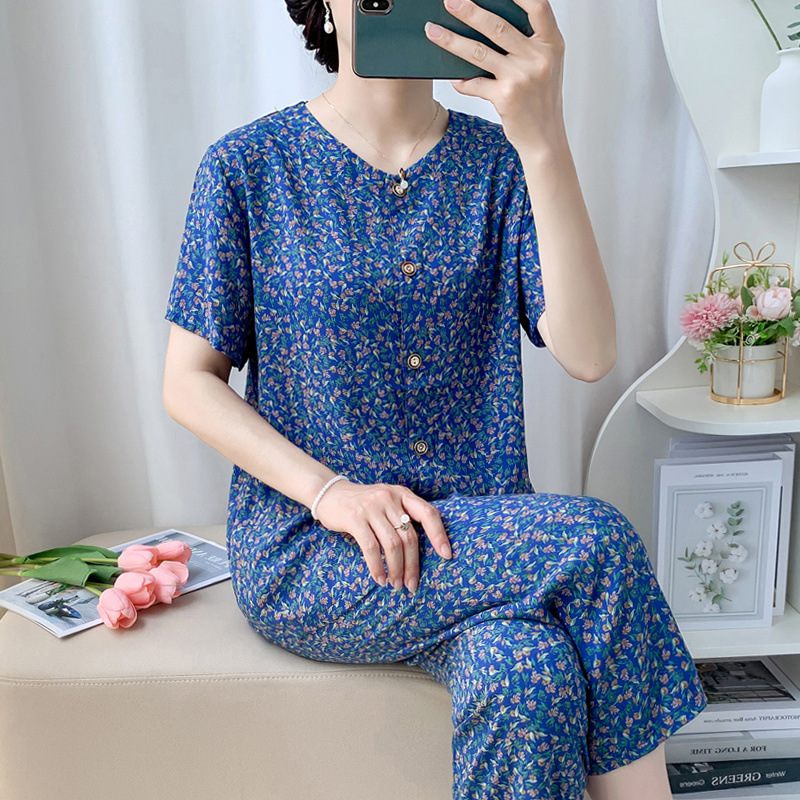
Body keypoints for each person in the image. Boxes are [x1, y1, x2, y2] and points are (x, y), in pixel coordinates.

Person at [161, 0, 708, 797]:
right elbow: (186, 382)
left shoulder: (500, 163)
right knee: (597, 542)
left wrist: (543, 135)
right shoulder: (248, 167)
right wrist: (330, 492)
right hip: (317, 551)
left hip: (481, 540)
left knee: (529, 673)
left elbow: (590, 354)